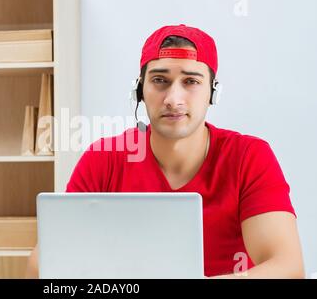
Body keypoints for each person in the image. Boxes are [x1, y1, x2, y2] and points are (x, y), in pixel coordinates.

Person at [26, 24, 304, 278]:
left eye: (191, 82)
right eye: (160, 80)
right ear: (139, 90)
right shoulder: (104, 158)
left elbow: (287, 267)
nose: (173, 99)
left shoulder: (249, 156)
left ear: (212, 93)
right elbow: (43, 264)